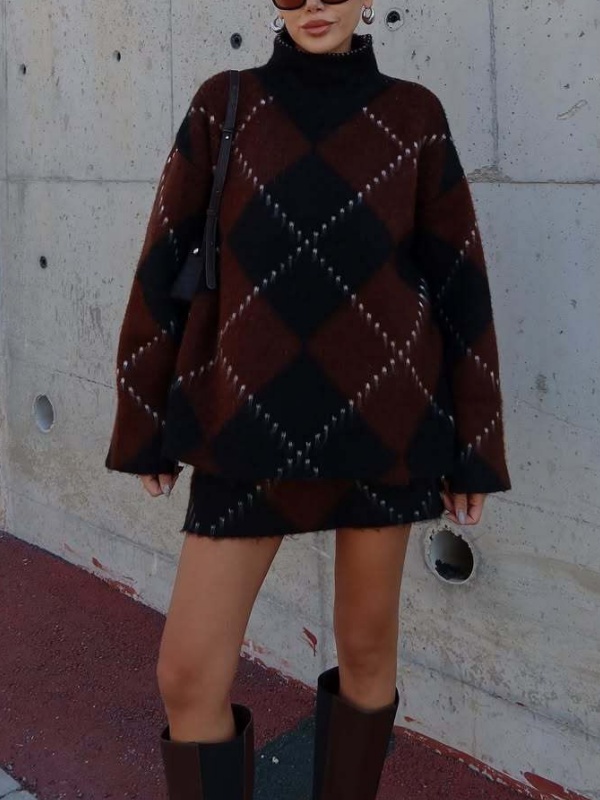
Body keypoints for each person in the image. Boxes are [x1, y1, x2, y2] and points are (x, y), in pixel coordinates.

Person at [104, 1, 512, 797]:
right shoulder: (223, 105)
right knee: (187, 675)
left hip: (383, 428)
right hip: (245, 429)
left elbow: (460, 285)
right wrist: (143, 420)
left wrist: (475, 447)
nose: (314, 5)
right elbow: (162, 263)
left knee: (366, 655)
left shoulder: (415, 116)